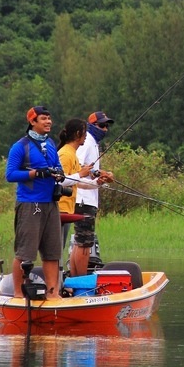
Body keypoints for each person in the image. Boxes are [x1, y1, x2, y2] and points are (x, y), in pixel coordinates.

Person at [5, 105, 77, 299]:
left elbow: (58, 167)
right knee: (25, 253)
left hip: (51, 204)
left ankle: (52, 294)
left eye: (49, 118)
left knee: (52, 252)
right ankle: (18, 293)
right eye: (44, 119)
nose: (48, 122)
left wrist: (59, 174)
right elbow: (10, 175)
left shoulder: (51, 144)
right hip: (30, 204)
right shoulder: (20, 146)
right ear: (32, 121)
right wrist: (35, 173)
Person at [70, 110, 115, 276]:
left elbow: (90, 170)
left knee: (80, 242)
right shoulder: (87, 141)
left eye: (107, 126)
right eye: (102, 125)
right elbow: (78, 168)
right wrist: (97, 176)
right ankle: (81, 281)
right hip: (83, 199)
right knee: (85, 244)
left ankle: (75, 280)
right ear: (92, 125)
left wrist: (102, 174)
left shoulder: (93, 142)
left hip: (88, 198)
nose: (105, 129)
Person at [57, 118, 100, 257]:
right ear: (77, 133)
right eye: (84, 132)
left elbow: (75, 182)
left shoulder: (73, 154)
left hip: (68, 209)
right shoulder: (65, 154)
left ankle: (59, 276)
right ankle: (54, 277)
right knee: (56, 250)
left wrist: (98, 183)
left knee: (60, 248)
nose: (86, 135)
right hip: (59, 208)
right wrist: (81, 173)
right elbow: (59, 181)